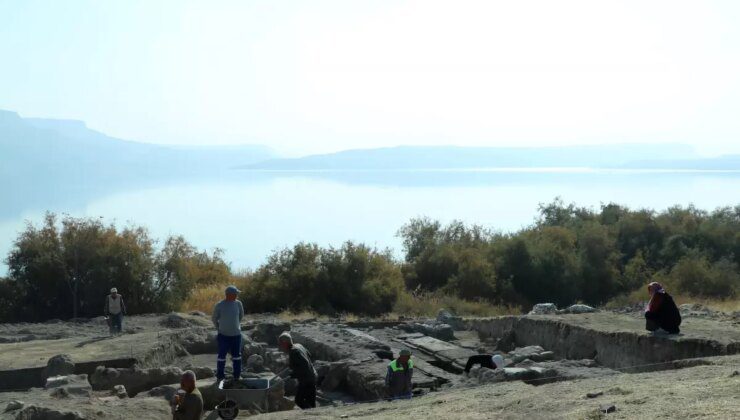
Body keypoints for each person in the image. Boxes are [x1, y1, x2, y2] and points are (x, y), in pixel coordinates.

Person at [212, 285, 245, 381]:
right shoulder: (220, 305)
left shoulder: (238, 304)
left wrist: (235, 325)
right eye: (235, 294)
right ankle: (220, 375)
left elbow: (241, 316)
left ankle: (237, 375)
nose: (237, 295)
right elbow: (214, 318)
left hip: (236, 335)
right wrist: (219, 328)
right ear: (229, 295)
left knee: (237, 356)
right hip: (223, 335)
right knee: (221, 356)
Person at [277, 332, 317, 409]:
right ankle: (312, 413)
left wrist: (293, 374)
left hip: (306, 379)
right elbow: (309, 355)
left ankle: (310, 412)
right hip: (313, 375)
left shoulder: (294, 352)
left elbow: (304, 366)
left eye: (281, 344)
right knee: (311, 401)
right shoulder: (298, 345)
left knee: (299, 400)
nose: (280, 347)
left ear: (285, 343)